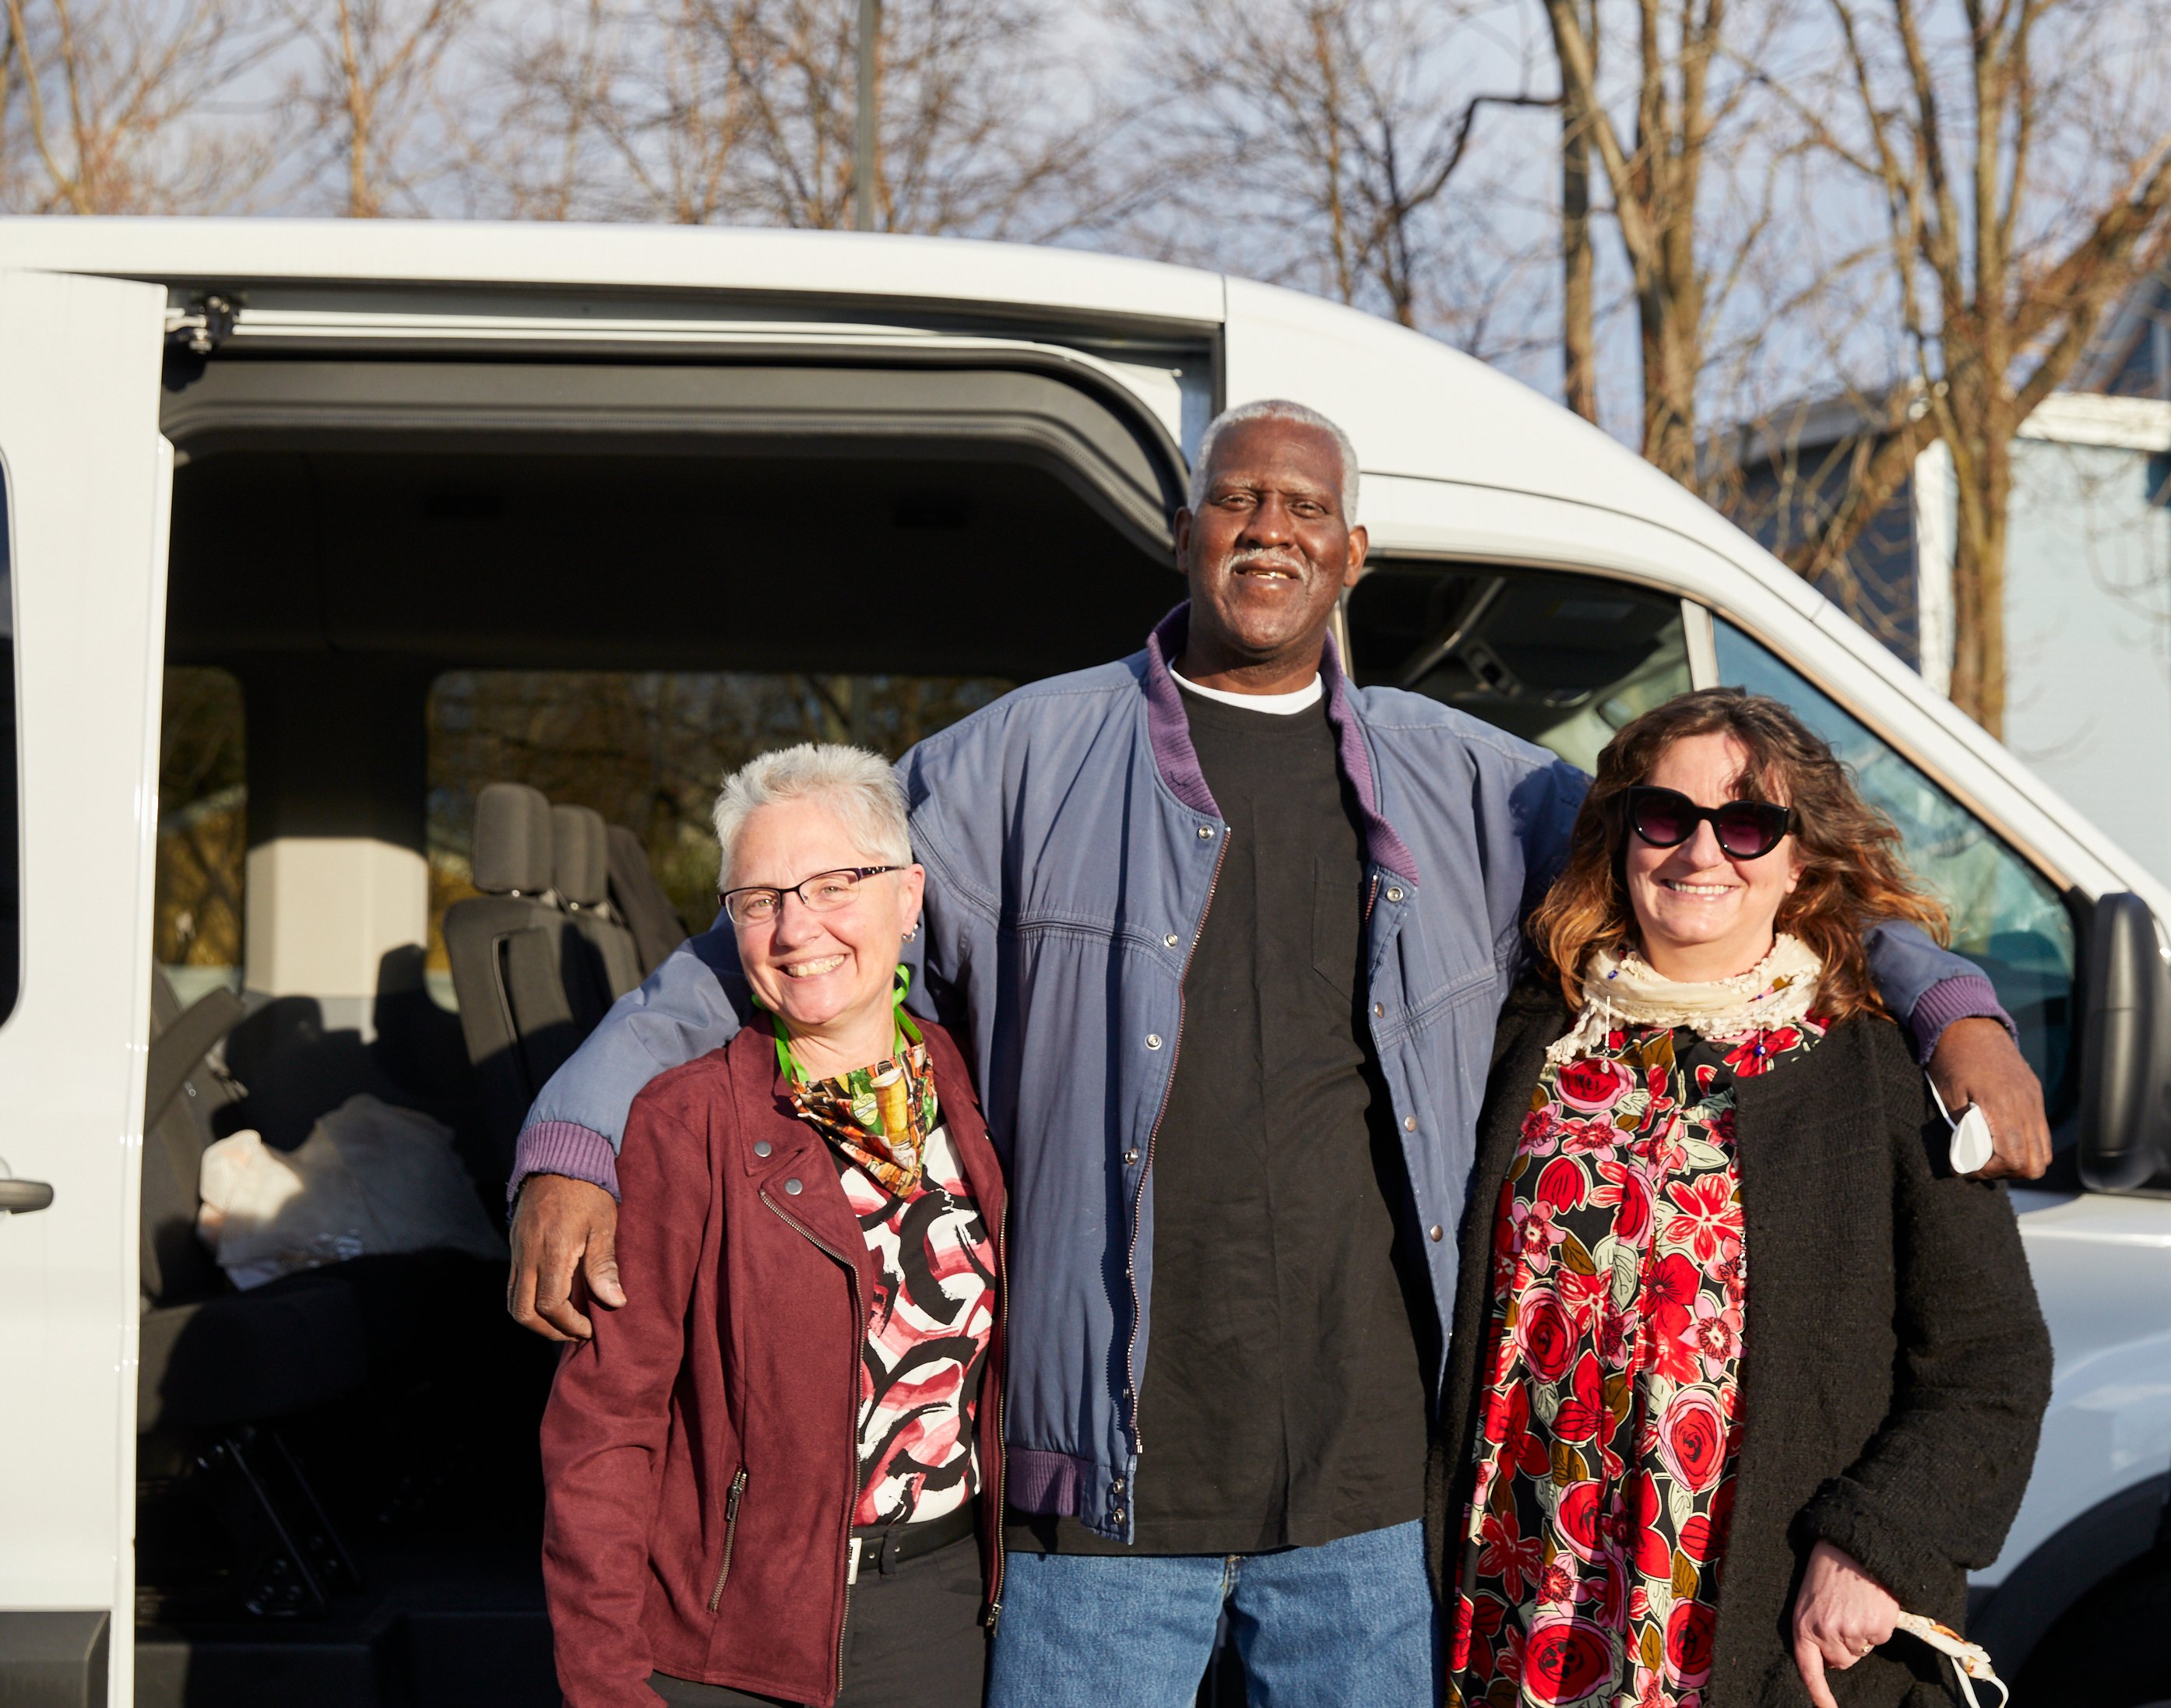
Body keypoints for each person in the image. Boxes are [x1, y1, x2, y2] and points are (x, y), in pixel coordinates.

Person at [505, 399, 2052, 1704]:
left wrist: (1951, 1005)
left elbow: (1719, 850)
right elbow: (766, 943)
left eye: (1305, 503)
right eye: (1236, 496)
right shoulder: (1010, 765)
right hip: (1097, 1515)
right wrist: (574, 1142)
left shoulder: (1473, 785)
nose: (1269, 525)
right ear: (1187, 533)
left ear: (1350, 551)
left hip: (1371, 1515)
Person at [1427, 689, 2051, 1708]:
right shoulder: (1529, 1038)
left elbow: (1991, 1363)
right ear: (1624, 833)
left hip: (1751, 1621)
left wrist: (1873, 1544)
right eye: (1665, 816)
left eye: (1747, 822)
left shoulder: (1876, 1068)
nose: (1699, 853)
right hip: (1519, 1602)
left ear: (1802, 858)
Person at [541, 746, 1005, 1708]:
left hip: (940, 1622)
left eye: (835, 884)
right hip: (730, 1640)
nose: (798, 929)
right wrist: (605, 1681)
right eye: (758, 900)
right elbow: (605, 1427)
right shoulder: (684, 1121)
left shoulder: (973, 1089)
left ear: (908, 897)